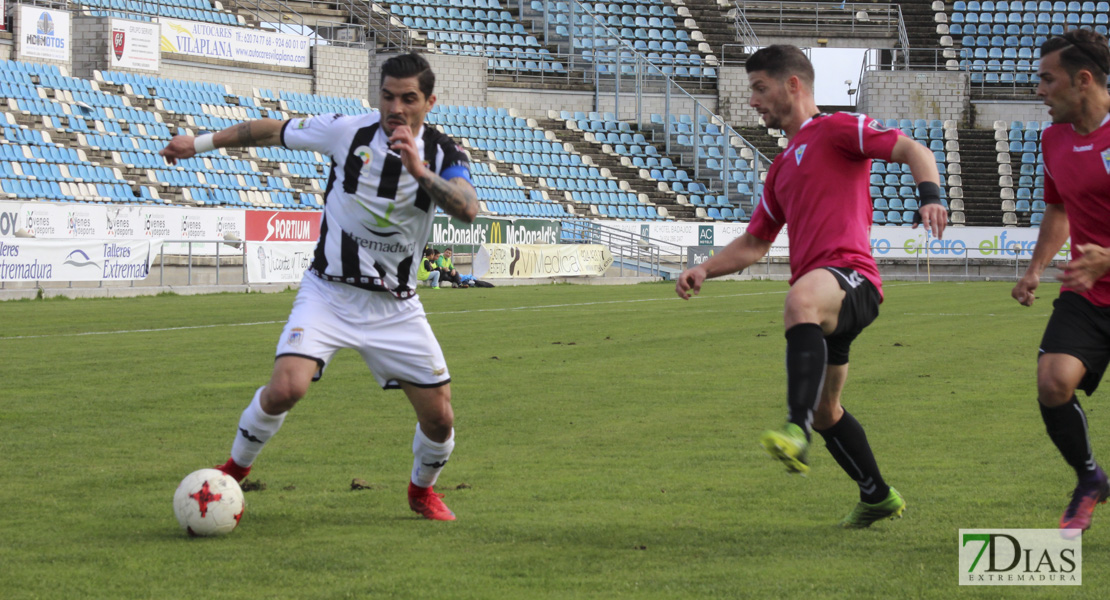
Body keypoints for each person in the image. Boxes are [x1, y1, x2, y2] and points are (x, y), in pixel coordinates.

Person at [159, 52, 479, 521]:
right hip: (328, 292)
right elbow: (269, 130)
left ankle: (420, 491)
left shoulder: (446, 154)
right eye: (388, 95)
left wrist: (419, 172)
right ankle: (233, 470)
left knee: (440, 418)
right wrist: (201, 143)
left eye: (408, 99)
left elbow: (468, 207)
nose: (395, 107)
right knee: (287, 388)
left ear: (429, 102)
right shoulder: (346, 131)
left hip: (395, 307)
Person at [674, 44, 947, 528]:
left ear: (793, 85)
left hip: (851, 278)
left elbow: (913, 149)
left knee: (798, 300)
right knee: (829, 411)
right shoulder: (780, 168)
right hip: (828, 296)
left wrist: (929, 196)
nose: (754, 101)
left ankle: (793, 429)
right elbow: (756, 242)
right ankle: (878, 495)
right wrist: (704, 269)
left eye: (760, 88)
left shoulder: (837, 129)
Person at [1011, 29, 1110, 537]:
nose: (1039, 89)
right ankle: (1089, 478)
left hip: (1101, 270)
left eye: (1047, 79)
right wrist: (1034, 268)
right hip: (1088, 289)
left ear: (1084, 80)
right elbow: (1058, 206)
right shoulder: (1052, 138)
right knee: (1053, 382)